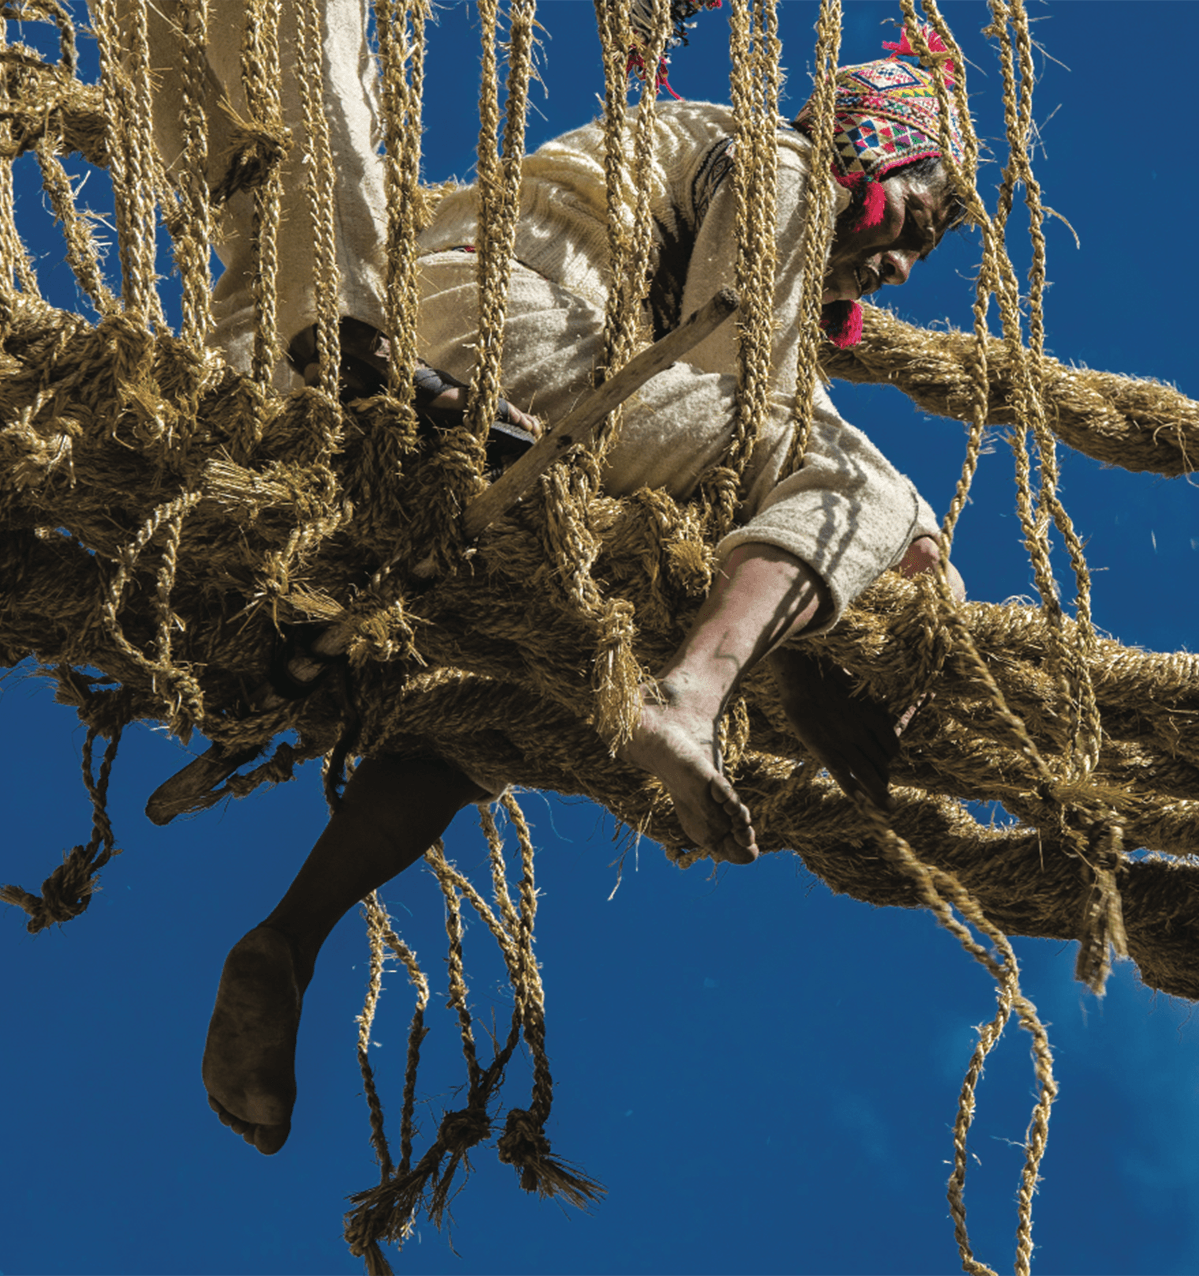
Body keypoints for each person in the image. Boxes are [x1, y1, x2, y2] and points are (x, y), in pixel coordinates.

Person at [150, 3, 971, 1154]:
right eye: (910, 224)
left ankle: (288, 936)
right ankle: (695, 689)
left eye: (914, 258)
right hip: (531, 344)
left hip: (461, 350)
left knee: (494, 712)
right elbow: (754, 379)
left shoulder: (682, 151)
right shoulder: (780, 163)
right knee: (876, 494)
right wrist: (850, 617)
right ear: (869, 156)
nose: (892, 265)